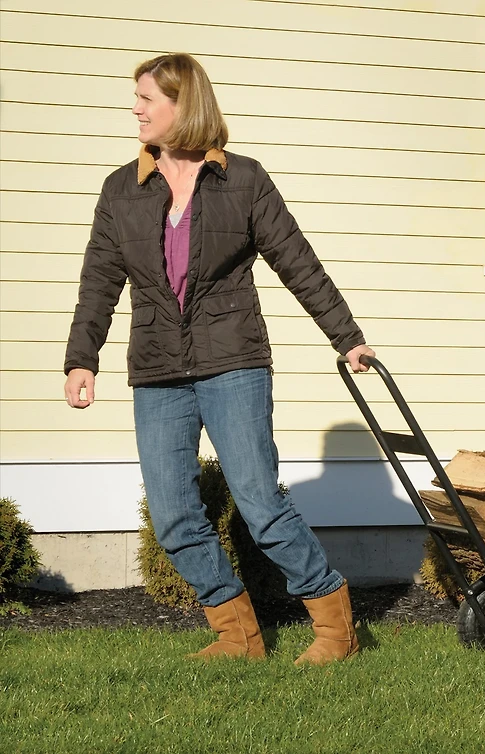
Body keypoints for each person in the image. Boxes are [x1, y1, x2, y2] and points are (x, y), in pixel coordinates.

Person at [63, 53, 375, 665]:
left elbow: (297, 261)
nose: (136, 108)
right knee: (175, 513)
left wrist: (346, 335)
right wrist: (82, 358)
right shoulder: (122, 189)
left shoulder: (245, 181)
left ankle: (336, 627)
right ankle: (238, 636)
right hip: (157, 373)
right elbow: (99, 279)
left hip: (233, 364)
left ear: (183, 105)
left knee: (260, 504)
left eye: (147, 97)